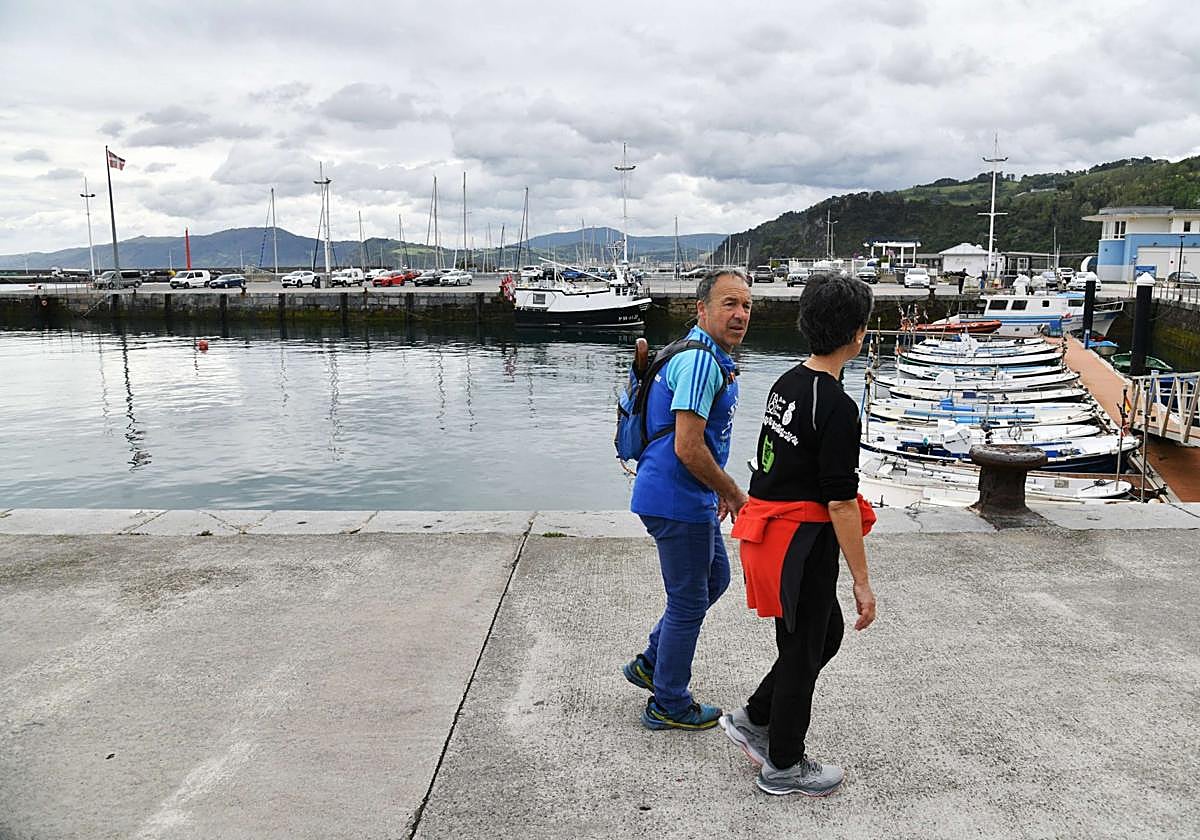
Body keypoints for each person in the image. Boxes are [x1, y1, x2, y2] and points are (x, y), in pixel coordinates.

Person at [723, 272, 878, 796]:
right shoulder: (836, 406)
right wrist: (862, 580)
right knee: (804, 645)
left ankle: (755, 717)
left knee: (818, 637)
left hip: (771, 538)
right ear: (857, 333)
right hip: (802, 545)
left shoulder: (787, 383)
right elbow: (839, 500)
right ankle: (784, 763)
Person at [623, 267, 753, 731]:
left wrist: (715, 487)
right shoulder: (700, 362)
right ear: (702, 309)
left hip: (684, 495)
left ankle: (651, 663)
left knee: (714, 580)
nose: (740, 315)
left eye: (746, 306)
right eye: (729, 304)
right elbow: (688, 446)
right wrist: (732, 492)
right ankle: (669, 702)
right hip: (676, 499)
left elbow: (697, 445)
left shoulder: (703, 354)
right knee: (688, 601)